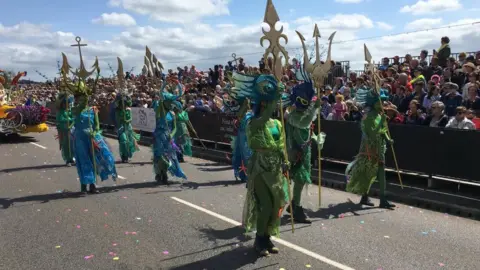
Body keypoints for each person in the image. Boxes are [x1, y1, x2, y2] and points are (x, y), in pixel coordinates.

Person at [234, 72, 289, 257]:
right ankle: (259, 239)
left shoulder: (277, 123)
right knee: (265, 205)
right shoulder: (253, 122)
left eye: (272, 103)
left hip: (275, 169)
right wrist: (273, 99)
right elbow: (261, 121)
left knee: (276, 206)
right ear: (262, 103)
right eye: (267, 103)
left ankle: (267, 237)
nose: (271, 107)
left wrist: (286, 162)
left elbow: (281, 145)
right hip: (259, 168)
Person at [283, 71, 325, 224]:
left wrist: (316, 139)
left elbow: (308, 129)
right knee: (300, 179)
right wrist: (314, 108)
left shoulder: (303, 113)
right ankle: (297, 208)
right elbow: (304, 123)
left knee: (301, 179)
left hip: (305, 152)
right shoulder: (293, 116)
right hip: (296, 153)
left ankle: (294, 205)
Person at [346, 89, 395, 209]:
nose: (382, 105)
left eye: (383, 102)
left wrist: (388, 139)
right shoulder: (368, 117)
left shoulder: (379, 115)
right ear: (373, 103)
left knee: (382, 174)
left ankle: (383, 200)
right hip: (369, 150)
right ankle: (365, 196)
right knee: (368, 174)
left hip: (380, 149)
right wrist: (382, 122)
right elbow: (373, 133)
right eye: (380, 102)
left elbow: (383, 131)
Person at [70, 81, 117, 194]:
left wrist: (94, 134)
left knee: (94, 161)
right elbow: (75, 117)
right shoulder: (74, 110)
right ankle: (83, 186)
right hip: (80, 138)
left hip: (91, 137)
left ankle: (93, 185)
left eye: (84, 98)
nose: (82, 100)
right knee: (83, 161)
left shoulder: (93, 110)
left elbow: (96, 125)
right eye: (80, 98)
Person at [152, 82, 187, 184]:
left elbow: (175, 127)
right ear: (164, 102)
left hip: (169, 138)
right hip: (159, 137)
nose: (171, 104)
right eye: (169, 102)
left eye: (172, 102)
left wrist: (171, 135)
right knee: (160, 157)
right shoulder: (159, 111)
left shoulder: (172, 114)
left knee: (169, 157)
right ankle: (160, 173)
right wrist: (163, 85)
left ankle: (165, 173)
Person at [114, 93, 140, 163]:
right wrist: (122, 118)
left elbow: (131, 119)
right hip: (121, 127)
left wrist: (127, 120)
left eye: (124, 102)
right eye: (122, 102)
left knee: (129, 142)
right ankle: (123, 155)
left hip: (128, 127)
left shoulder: (128, 109)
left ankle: (127, 156)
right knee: (123, 141)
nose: (123, 104)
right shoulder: (117, 111)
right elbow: (118, 120)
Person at [55, 91, 75, 166]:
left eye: (68, 103)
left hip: (71, 131)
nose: (67, 105)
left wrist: (73, 119)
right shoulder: (60, 112)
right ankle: (67, 160)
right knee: (66, 146)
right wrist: (69, 120)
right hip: (64, 131)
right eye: (65, 103)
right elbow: (60, 120)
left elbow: (73, 117)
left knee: (72, 145)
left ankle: (72, 158)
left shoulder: (69, 110)